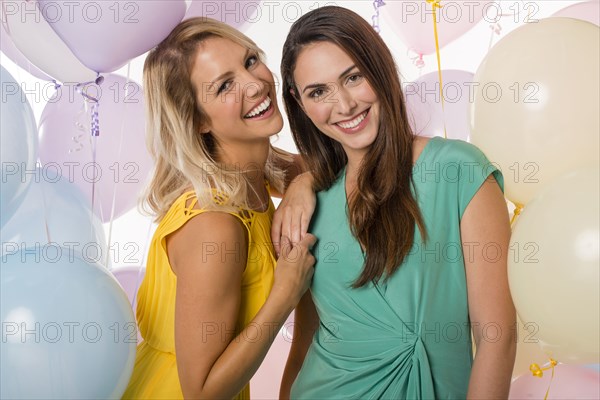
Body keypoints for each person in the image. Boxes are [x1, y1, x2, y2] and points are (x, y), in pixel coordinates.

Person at [277, 6, 517, 399]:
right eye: (318, 91)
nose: (344, 105)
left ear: (380, 68)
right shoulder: (311, 204)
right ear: (299, 102)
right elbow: (303, 344)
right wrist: (302, 181)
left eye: (353, 77)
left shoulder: (457, 170)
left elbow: (497, 338)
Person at [121, 17, 316, 400]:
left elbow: (341, 166)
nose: (256, 84)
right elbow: (202, 392)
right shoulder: (216, 226)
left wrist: (303, 183)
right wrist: (285, 294)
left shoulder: (253, 171)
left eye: (250, 61)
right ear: (197, 121)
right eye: (225, 86)